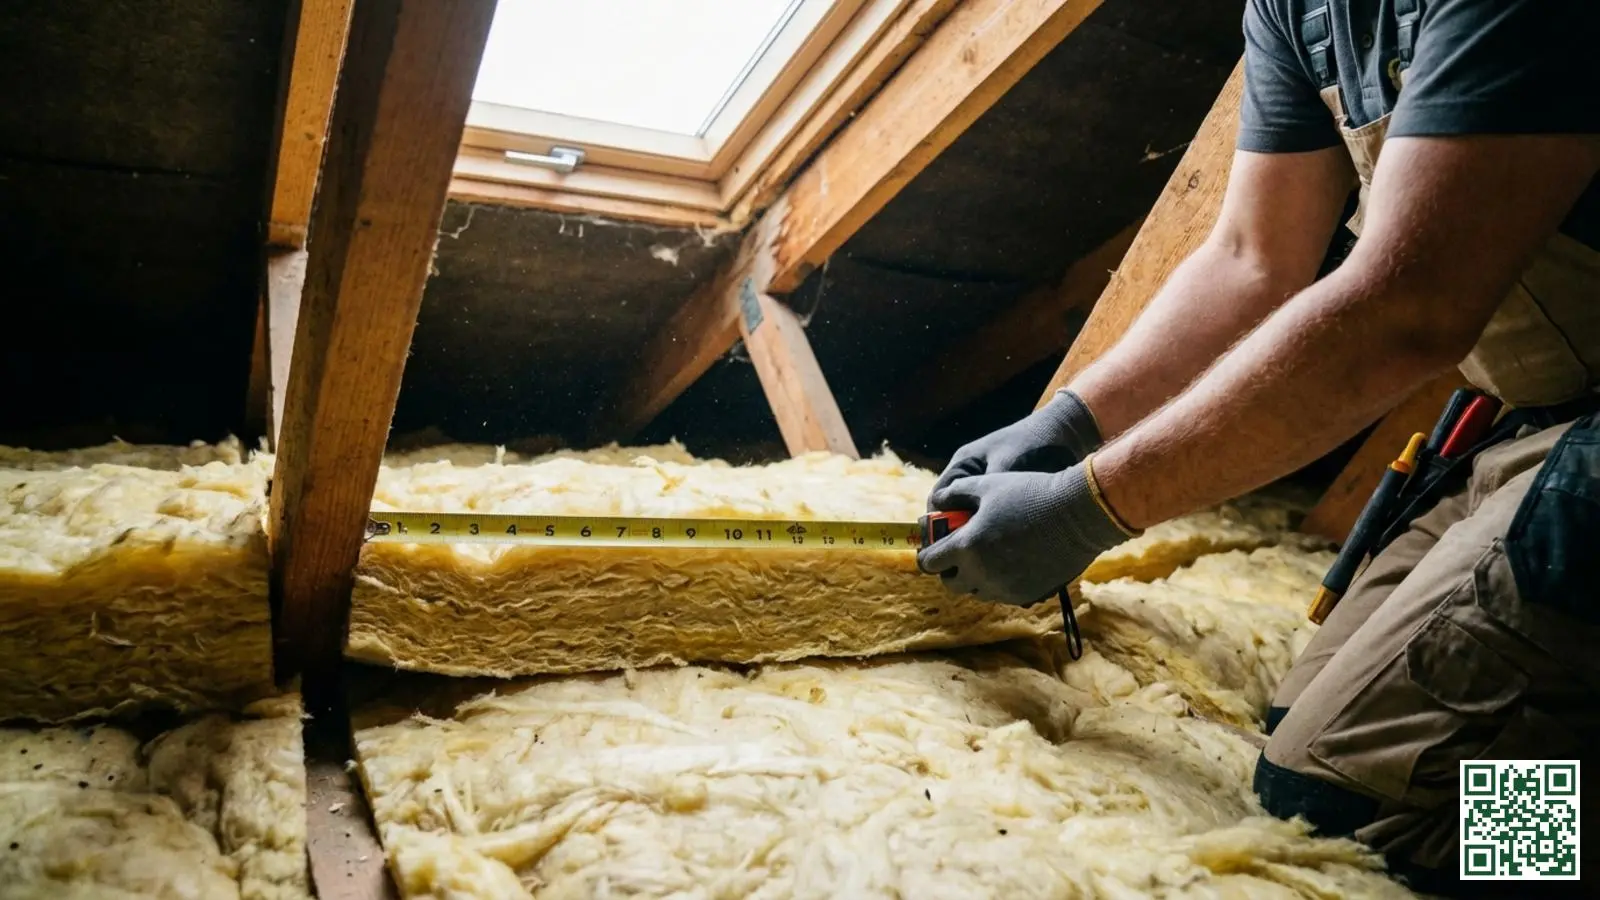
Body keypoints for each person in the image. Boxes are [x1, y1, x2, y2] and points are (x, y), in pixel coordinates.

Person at [917, 0, 1600, 893]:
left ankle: (1568, 841)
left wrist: (1091, 507)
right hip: (1532, 422)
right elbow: (1250, 256)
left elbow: (1408, 307)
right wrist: (1065, 427)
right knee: (1301, 724)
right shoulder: (1293, 10)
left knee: (1358, 800)